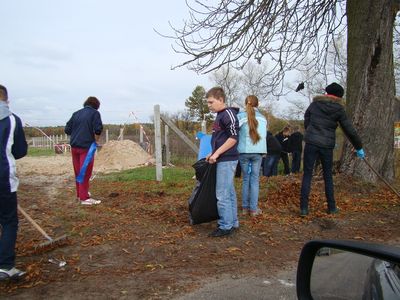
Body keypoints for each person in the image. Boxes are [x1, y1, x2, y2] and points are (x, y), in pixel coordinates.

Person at [300, 82, 365, 217]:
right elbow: (349, 130)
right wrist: (359, 147)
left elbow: (306, 119)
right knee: (328, 176)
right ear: (339, 96)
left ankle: (304, 209)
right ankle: (331, 207)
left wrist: (311, 132)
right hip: (326, 145)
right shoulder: (338, 109)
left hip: (311, 143)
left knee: (307, 174)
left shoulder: (314, 105)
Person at [0, 84, 28, 280]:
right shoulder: (12, 120)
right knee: (9, 221)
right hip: (3, 178)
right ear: (6, 100)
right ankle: (5, 266)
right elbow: (20, 151)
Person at [205, 87, 239, 237]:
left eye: (211, 102)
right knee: (229, 192)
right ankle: (233, 222)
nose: (209, 105)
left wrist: (217, 153)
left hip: (227, 159)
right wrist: (211, 153)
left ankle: (225, 226)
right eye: (207, 103)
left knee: (222, 194)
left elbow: (233, 138)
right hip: (221, 158)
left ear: (221, 100)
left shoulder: (228, 114)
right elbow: (221, 139)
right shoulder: (219, 115)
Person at [65, 97, 103, 205]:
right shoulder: (95, 114)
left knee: (78, 172)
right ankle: (84, 198)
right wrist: (96, 140)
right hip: (86, 147)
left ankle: (80, 194)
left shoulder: (76, 113)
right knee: (85, 172)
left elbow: (67, 129)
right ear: (96, 106)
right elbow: (98, 129)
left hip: (74, 147)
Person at [237, 95, 267, 216]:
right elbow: (264, 135)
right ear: (257, 104)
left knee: (246, 179)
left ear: (246, 104)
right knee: (255, 180)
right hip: (258, 151)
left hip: (244, 151)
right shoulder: (263, 118)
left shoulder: (239, 117)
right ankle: (253, 209)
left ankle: (244, 208)